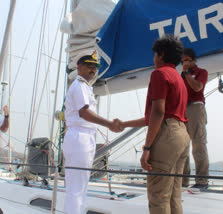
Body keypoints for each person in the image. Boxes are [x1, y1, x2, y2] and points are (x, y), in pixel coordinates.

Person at [119, 35, 189, 214]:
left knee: (158, 197)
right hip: (182, 134)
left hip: (167, 135)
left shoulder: (160, 74)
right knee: (173, 195)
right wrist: (124, 124)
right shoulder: (179, 79)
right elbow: (155, 116)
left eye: (155, 55)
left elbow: (158, 112)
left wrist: (147, 148)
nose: (153, 59)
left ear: (161, 54)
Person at [63, 52, 122, 214]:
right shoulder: (80, 86)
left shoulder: (84, 86)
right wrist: (109, 123)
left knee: (79, 187)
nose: (93, 69)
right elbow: (85, 113)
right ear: (79, 67)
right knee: (77, 188)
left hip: (83, 137)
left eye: (95, 67)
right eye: (89, 65)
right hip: (79, 137)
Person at [181, 48, 209, 189]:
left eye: (186, 60)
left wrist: (186, 73)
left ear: (193, 60)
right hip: (182, 109)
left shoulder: (201, 72)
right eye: (182, 61)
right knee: (182, 146)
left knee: (198, 144)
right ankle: (183, 180)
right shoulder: (181, 76)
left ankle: (202, 181)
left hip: (196, 108)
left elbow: (198, 87)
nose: (184, 63)